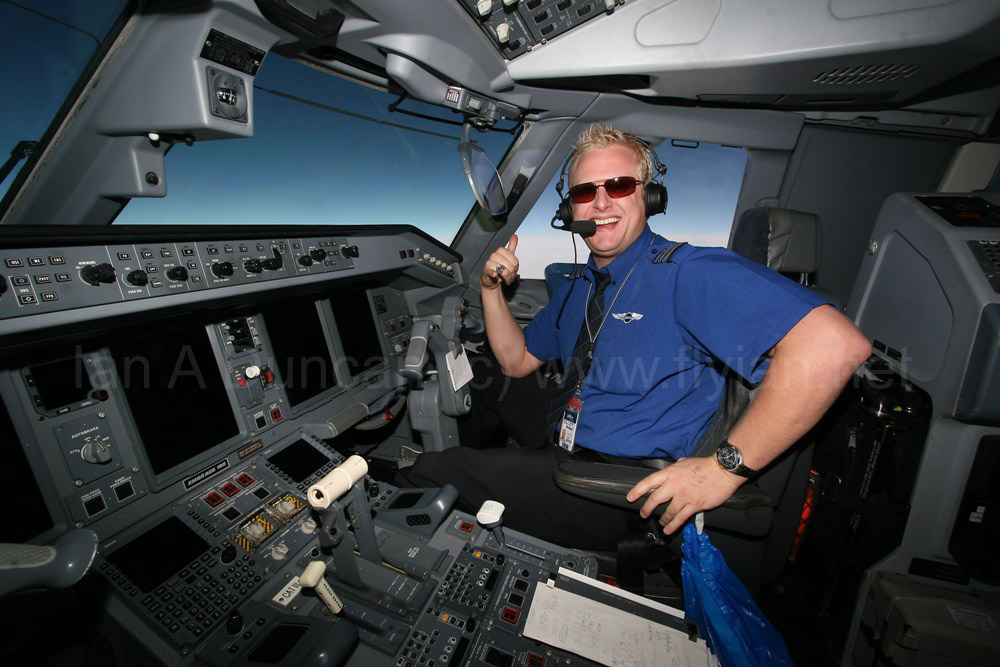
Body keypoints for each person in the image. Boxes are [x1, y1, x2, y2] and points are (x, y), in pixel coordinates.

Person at [398, 124, 871, 550]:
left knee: (432, 474)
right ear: (570, 209)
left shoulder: (688, 273)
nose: (601, 202)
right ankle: (492, 475)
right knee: (484, 379)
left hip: (614, 483)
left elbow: (835, 347)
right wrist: (490, 292)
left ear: (650, 197)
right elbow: (516, 360)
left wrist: (722, 469)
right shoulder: (581, 285)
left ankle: (449, 483)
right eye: (586, 191)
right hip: (570, 425)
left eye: (620, 186)